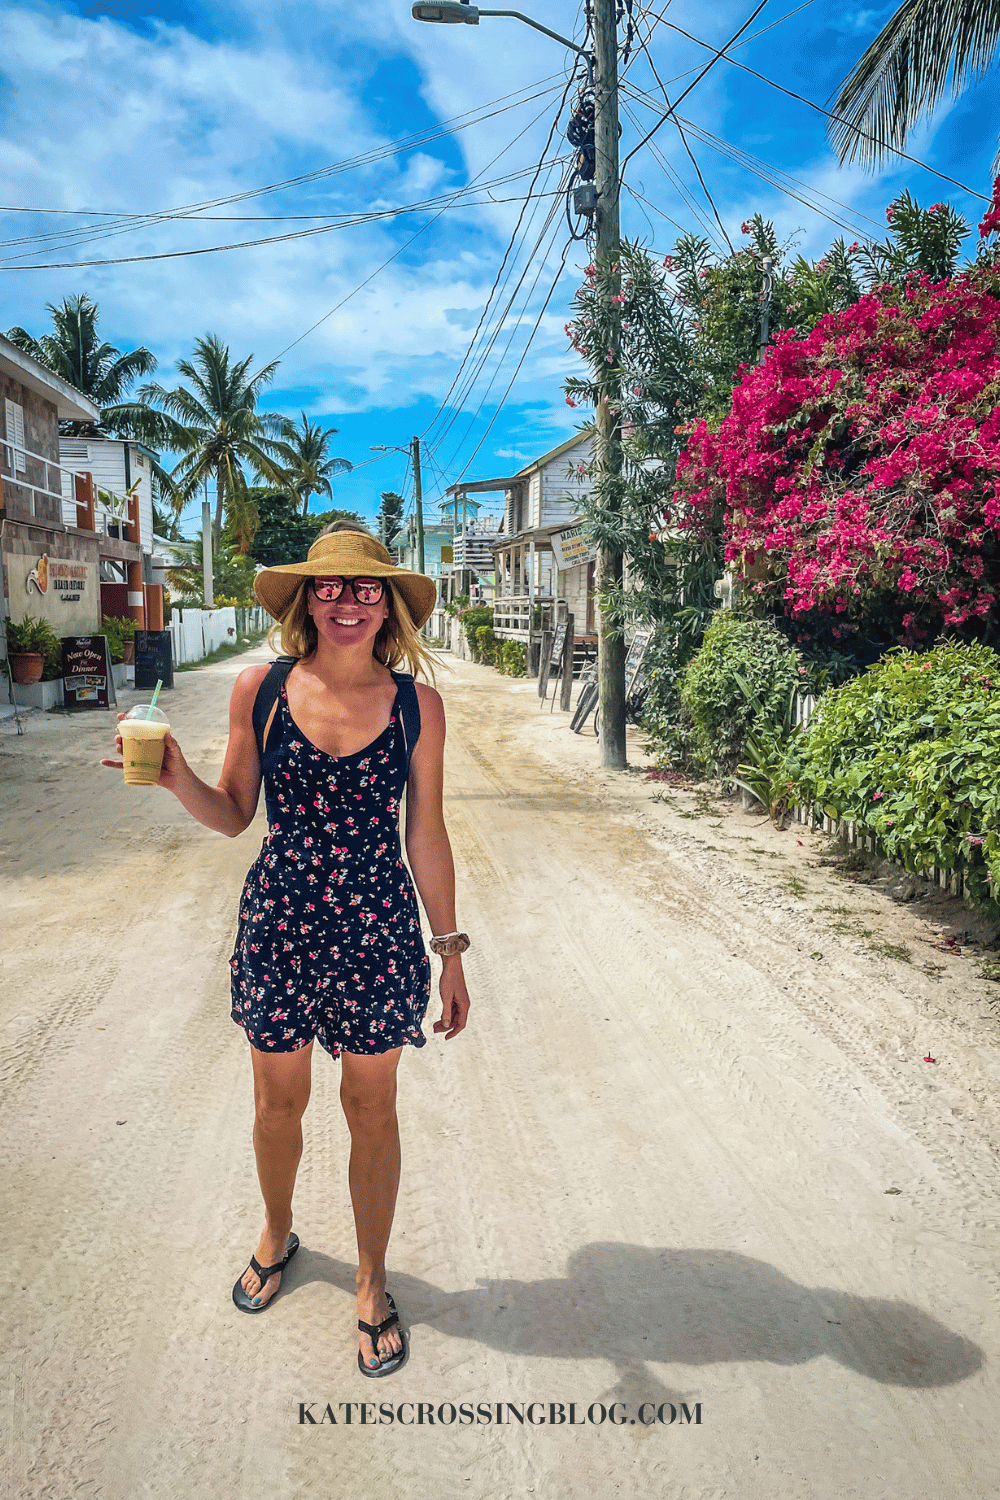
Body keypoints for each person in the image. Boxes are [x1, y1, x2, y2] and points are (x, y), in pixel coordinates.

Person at [102, 522, 471, 1376]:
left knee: (372, 1109)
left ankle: (372, 1281)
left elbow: (427, 831)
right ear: (307, 599)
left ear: (390, 606)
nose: (347, 601)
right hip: (280, 926)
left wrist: (449, 950)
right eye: (330, 587)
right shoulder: (260, 689)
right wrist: (173, 778)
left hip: (377, 930)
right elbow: (235, 811)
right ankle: (276, 1234)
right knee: (278, 1103)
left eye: (366, 588)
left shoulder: (417, 705)